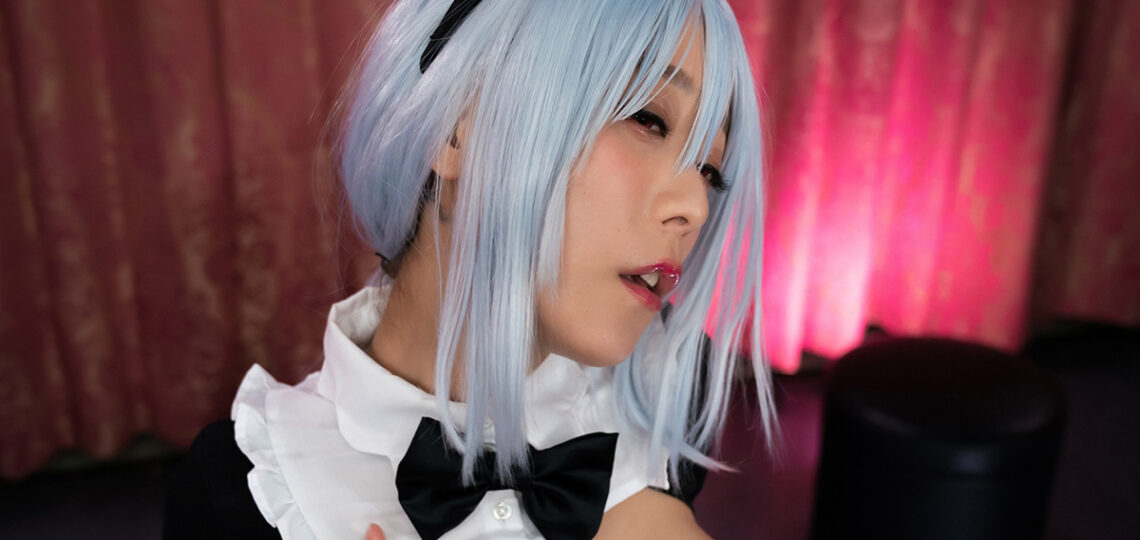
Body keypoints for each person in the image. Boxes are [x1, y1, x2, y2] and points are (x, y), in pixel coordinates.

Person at [164, 0, 775, 538]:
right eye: (648, 119)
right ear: (456, 129)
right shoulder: (251, 489)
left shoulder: (673, 394)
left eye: (710, 170)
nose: (695, 206)